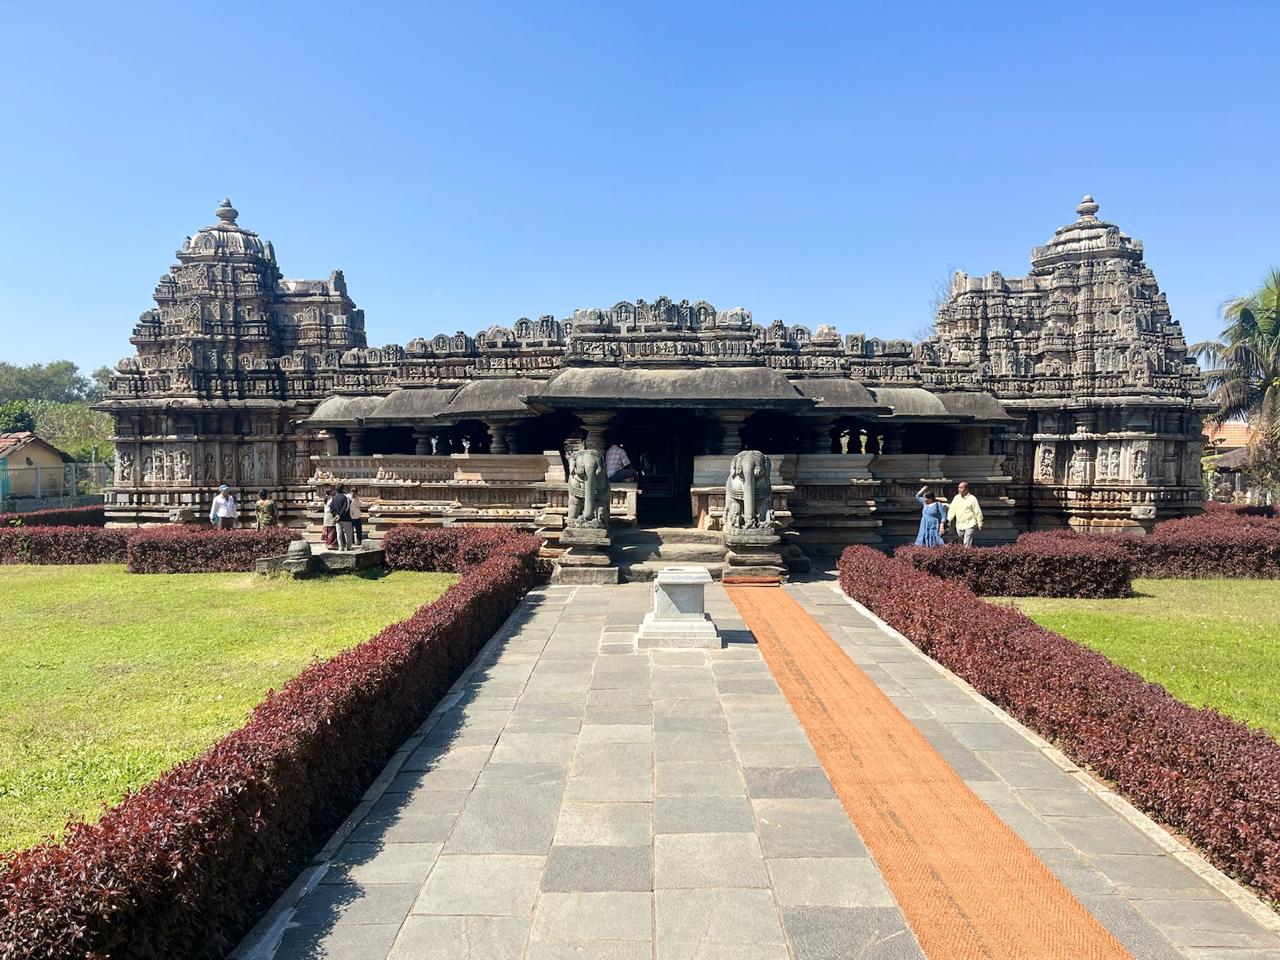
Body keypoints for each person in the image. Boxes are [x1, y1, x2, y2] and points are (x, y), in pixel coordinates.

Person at [949, 480, 984, 547]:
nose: (959, 489)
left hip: (970, 524)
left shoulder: (972, 499)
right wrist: (949, 520)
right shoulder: (956, 498)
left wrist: (980, 522)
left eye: (961, 488)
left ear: (967, 489)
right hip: (959, 525)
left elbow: (977, 511)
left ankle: (966, 555)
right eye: (959, 487)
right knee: (961, 543)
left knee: (966, 543)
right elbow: (952, 510)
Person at [330, 485, 354, 551]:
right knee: (348, 533)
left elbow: (331, 507)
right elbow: (345, 508)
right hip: (345, 518)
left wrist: (335, 515)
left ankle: (341, 547)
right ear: (343, 489)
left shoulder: (333, 498)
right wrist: (340, 515)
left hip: (338, 519)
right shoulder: (345, 498)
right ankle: (349, 547)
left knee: (339, 534)